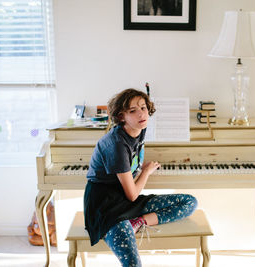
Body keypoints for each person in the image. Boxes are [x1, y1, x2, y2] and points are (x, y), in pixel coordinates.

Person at [84, 88, 198, 267]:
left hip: (126, 199)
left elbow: (134, 164)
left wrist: (137, 169)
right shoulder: (116, 145)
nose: (141, 114)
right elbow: (132, 195)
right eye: (132, 111)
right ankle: (126, 224)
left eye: (143, 108)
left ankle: (137, 222)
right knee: (133, 263)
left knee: (190, 202)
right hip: (107, 208)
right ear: (121, 116)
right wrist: (145, 172)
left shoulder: (139, 128)